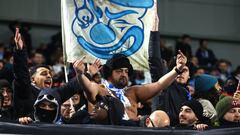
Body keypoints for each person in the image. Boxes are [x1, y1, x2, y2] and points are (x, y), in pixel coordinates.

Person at [73, 49, 187, 121]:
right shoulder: (100, 89)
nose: (124, 74)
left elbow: (159, 85)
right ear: (109, 74)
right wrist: (80, 74)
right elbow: (87, 86)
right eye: (119, 71)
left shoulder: (132, 92)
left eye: (126, 71)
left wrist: (177, 69)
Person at [13, 27, 53, 118]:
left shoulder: (53, 95)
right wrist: (20, 51)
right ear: (32, 79)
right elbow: (21, 75)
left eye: (50, 74)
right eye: (44, 73)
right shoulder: (26, 91)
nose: (49, 76)